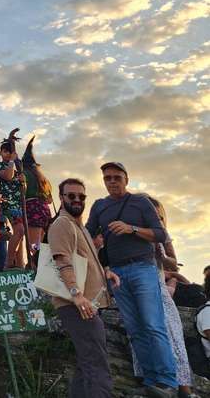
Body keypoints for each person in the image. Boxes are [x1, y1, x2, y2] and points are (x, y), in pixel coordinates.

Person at [86, 162, 177, 395]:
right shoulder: (99, 206)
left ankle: (167, 381)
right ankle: (150, 381)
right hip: (117, 272)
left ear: (126, 179)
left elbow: (160, 234)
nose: (112, 181)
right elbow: (88, 235)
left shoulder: (141, 202)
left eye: (117, 177)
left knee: (152, 324)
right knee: (135, 329)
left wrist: (131, 229)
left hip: (143, 268)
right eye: (107, 178)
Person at [48, 178, 115, 398]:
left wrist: (107, 273)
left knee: (86, 364)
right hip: (76, 305)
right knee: (97, 365)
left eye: (81, 196)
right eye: (71, 196)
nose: (77, 200)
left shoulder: (81, 229)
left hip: (87, 304)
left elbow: (87, 261)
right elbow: (62, 261)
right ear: (61, 198)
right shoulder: (62, 224)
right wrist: (76, 296)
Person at [130, 196, 195, 398]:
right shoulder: (132, 234)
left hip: (159, 291)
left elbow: (173, 264)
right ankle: (152, 382)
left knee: (172, 337)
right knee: (142, 336)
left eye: (158, 215)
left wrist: (163, 258)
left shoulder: (162, 236)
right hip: (139, 292)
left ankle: (184, 389)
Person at [22, 137, 53, 266]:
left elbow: (22, 193)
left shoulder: (24, 174)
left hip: (32, 209)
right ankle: (43, 269)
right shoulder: (42, 178)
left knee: (33, 246)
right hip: (45, 209)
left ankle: (36, 270)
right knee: (42, 245)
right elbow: (50, 200)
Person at [0, 140, 25, 269]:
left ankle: (20, 264)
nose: (7, 154)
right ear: (1, 152)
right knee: (19, 230)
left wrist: (24, 181)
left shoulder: (17, 169)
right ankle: (9, 262)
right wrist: (12, 161)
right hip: (8, 204)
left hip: (19, 205)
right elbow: (7, 176)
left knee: (21, 236)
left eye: (10, 152)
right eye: (5, 151)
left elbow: (23, 187)